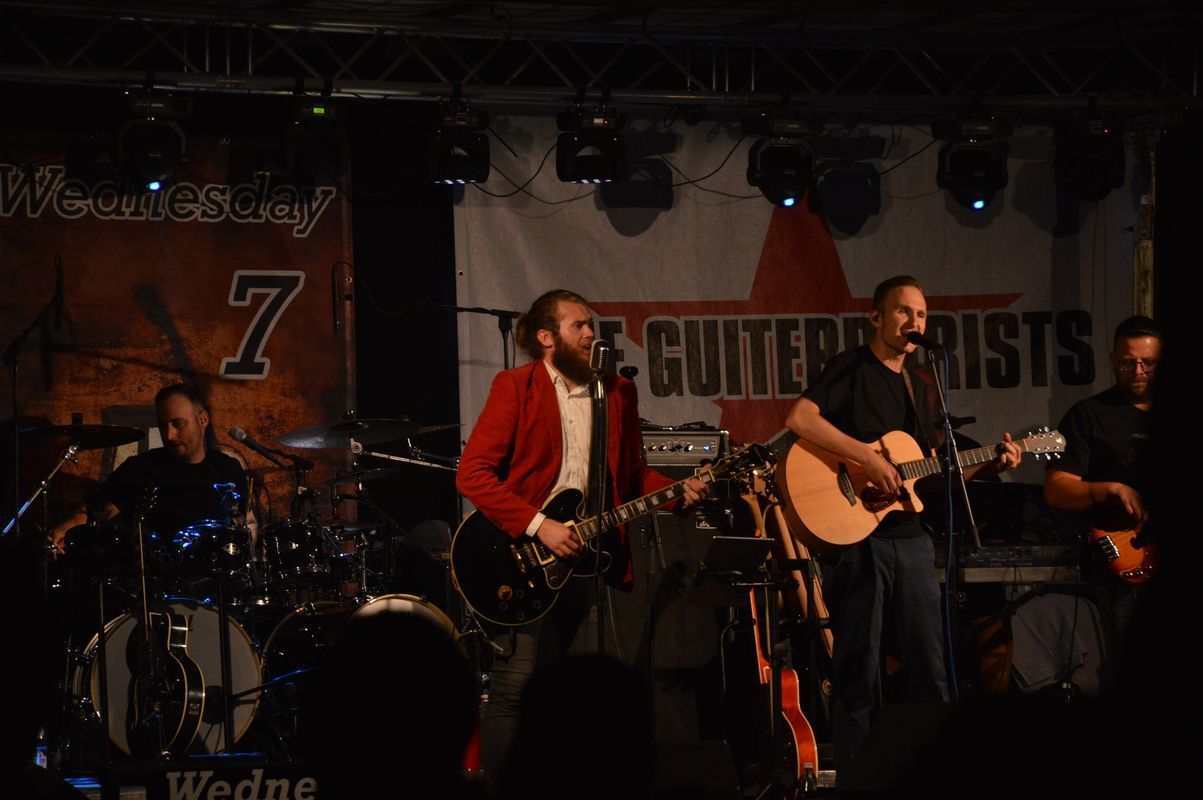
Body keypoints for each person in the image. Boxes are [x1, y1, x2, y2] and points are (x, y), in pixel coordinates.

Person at [455, 289, 707, 779]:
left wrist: (679, 493)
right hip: (520, 556)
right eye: (578, 326)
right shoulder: (516, 386)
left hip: (586, 558)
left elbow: (632, 475)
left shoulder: (617, 392)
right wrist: (540, 525)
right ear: (546, 338)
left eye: (591, 324)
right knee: (513, 688)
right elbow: (473, 474)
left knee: (581, 694)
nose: (591, 333)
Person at [782, 275, 1022, 773]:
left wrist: (989, 465)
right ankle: (856, 775)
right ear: (876, 317)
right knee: (858, 669)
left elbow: (931, 474)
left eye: (921, 315)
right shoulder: (850, 368)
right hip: (858, 540)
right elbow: (800, 419)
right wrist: (866, 458)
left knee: (930, 667)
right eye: (903, 311)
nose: (914, 322)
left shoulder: (921, 386)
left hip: (910, 539)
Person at [1043, 314, 1160, 679]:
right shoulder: (1089, 415)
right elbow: (1057, 489)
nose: (1138, 371)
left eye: (1148, 363)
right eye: (1127, 363)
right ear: (1112, 361)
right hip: (1128, 559)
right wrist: (1110, 488)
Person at [51, 383, 252, 549]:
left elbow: (246, 522)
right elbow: (99, 511)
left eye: (178, 424)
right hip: (160, 579)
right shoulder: (142, 468)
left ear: (203, 419)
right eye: (163, 426)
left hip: (219, 577)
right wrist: (67, 528)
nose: (169, 435)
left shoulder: (228, 468)